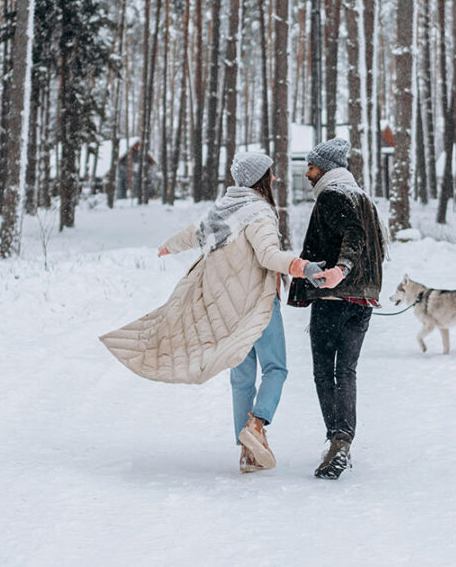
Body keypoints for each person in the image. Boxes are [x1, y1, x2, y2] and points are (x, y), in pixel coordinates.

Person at [99, 152, 330, 473]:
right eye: (271, 174)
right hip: (257, 305)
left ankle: (247, 455)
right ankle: (257, 426)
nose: (275, 178)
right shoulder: (259, 213)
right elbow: (267, 255)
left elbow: (193, 233)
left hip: (229, 310)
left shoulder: (224, 210)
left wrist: (168, 246)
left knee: (242, 376)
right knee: (276, 369)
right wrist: (302, 267)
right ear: (261, 179)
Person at [287, 138, 386, 480]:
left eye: (311, 167)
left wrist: (339, 270)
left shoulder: (333, 195)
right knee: (346, 371)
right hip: (363, 301)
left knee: (323, 372)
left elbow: (354, 236)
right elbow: (373, 244)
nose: (307, 174)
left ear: (326, 169)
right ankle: (342, 439)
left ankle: (338, 440)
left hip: (334, 298)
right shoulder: (363, 198)